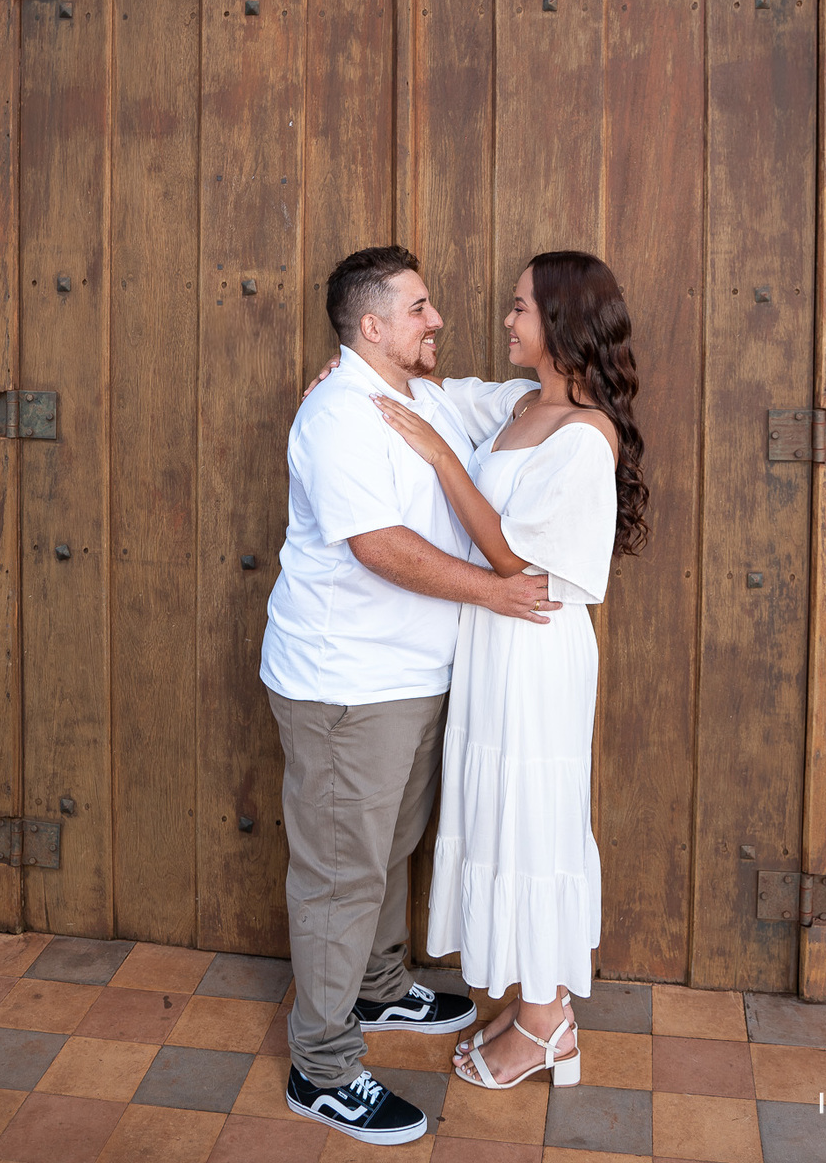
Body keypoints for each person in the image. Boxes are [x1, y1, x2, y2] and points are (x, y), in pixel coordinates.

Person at [260, 245, 561, 1145]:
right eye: (420, 308)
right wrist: (496, 591)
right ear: (372, 326)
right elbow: (378, 547)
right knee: (339, 875)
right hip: (345, 685)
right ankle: (322, 1066)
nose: (438, 321)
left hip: (408, 678)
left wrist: (568, 372)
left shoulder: (423, 396)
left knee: (388, 848)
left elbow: (526, 403)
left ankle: (379, 985)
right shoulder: (339, 417)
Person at [373, 251, 647, 1091]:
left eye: (520, 308)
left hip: (534, 646)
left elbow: (514, 561)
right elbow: (439, 395)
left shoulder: (586, 437)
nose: (506, 320)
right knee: (503, 815)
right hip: (495, 641)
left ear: (561, 323)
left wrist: (443, 461)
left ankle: (548, 1024)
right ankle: (533, 1001)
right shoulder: (522, 404)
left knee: (534, 821)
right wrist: (348, 372)